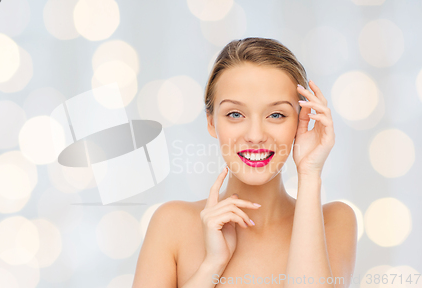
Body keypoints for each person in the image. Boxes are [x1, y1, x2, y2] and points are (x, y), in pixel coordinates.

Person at [132, 37, 357, 288]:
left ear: (300, 122)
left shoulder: (334, 221)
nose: (255, 136)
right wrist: (212, 265)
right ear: (211, 122)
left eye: (276, 114)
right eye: (235, 114)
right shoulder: (171, 223)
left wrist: (310, 174)